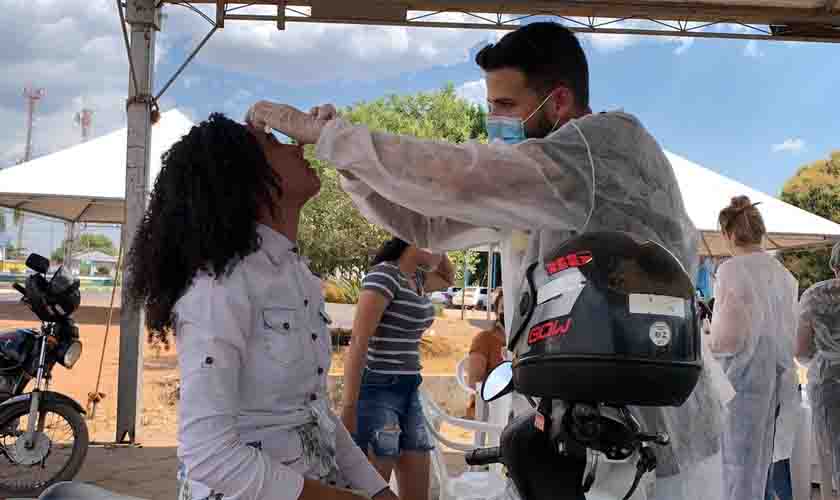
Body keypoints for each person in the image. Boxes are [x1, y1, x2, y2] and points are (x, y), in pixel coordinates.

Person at [246, 22, 727, 499]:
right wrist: (350, 166)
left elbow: (462, 177)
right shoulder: (539, 186)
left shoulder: (605, 146)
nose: (493, 120)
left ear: (558, 101)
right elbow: (428, 224)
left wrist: (334, 137)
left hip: (652, 428)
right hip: (583, 431)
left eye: (505, 105)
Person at [124, 114, 396, 500]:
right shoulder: (220, 287)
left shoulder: (298, 276)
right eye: (275, 144)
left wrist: (379, 491)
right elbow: (207, 453)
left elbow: (317, 414)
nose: (297, 145)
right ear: (244, 178)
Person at [339, 237, 452, 500]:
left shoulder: (417, 280)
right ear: (413, 239)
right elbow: (358, 341)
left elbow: (447, 277)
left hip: (410, 389)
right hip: (379, 390)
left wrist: (440, 242)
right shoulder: (384, 275)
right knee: (376, 491)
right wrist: (348, 408)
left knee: (418, 492)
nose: (443, 249)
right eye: (435, 238)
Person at [709, 196, 799, 500]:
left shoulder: (732, 271)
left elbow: (729, 339)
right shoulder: (784, 277)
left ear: (728, 233)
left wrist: (707, 337)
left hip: (741, 388)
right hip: (775, 386)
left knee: (736, 473)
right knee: (762, 472)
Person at [796, 241, 840, 500]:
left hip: (826, 382)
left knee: (826, 455)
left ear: (834, 265)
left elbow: (800, 349)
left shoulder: (814, 294)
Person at [465, 289, 506, 420]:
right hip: (491, 406)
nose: (508, 313)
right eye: (503, 308)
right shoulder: (484, 339)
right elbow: (475, 383)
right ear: (496, 311)